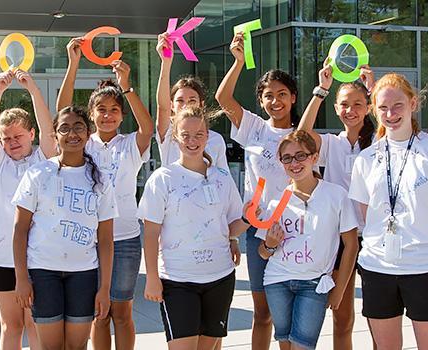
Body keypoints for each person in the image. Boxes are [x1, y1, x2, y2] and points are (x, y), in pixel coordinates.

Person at [348, 73, 428, 350]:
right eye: (383, 107)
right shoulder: (365, 159)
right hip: (378, 267)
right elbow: (367, 215)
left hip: (426, 266)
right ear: (374, 110)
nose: (391, 114)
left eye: (398, 105)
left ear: (413, 103)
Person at [57, 36, 153, 350]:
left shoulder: (130, 145)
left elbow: (148, 128)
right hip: (88, 239)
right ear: (91, 113)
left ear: (122, 115)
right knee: (99, 312)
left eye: (114, 110)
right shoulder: (83, 142)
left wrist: (126, 86)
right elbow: (62, 112)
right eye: (101, 109)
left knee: (122, 311)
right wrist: (73, 65)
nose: (108, 115)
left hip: (124, 238)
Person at [215, 31, 300, 350]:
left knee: (289, 313)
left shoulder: (304, 133)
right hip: (259, 231)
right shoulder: (254, 128)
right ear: (261, 100)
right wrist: (238, 62)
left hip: (297, 230)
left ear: (293, 97)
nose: (275, 101)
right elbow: (223, 99)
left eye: (282, 94)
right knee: (263, 314)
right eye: (268, 95)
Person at [139, 106, 245, 350]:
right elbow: (151, 233)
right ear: (175, 137)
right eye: (185, 135)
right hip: (178, 280)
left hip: (220, 277)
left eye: (199, 134)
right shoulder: (163, 178)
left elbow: (231, 227)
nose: (192, 140)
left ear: (208, 136)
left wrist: (251, 219)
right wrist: (152, 278)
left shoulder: (221, 177)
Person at [12, 106, 117, 350]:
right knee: (51, 347)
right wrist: (21, 278)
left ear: (88, 132)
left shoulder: (100, 179)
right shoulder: (38, 173)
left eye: (78, 127)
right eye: (64, 128)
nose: (72, 133)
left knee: (76, 346)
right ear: (54, 135)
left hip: (83, 274)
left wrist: (104, 288)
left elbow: (106, 239)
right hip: (43, 272)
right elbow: (20, 230)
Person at [296, 61, 376, 350]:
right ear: (336, 108)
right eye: (344, 104)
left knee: (379, 316)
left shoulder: (380, 141)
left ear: (369, 107)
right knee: (342, 316)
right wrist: (322, 90)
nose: (350, 110)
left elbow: (397, 123)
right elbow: (302, 136)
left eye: (358, 103)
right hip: (340, 237)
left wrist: (376, 90)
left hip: (376, 236)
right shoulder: (331, 143)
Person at [256, 129, 359, 350]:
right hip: (277, 282)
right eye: (287, 158)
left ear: (314, 157)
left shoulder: (336, 195)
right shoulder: (276, 202)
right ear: (281, 162)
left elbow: (351, 244)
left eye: (301, 155)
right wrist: (269, 245)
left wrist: (339, 290)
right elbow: (263, 252)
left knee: (302, 346)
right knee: (286, 346)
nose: (295, 163)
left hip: (314, 283)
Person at [0, 69, 57, 350]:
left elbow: (50, 130)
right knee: (10, 326)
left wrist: (33, 90)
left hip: (38, 257)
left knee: (35, 324)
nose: (12, 143)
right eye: (6, 138)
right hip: (2, 256)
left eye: (18, 136)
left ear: (32, 134)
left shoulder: (46, 160)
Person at [155, 33, 230, 171]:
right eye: (180, 100)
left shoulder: (215, 140)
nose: (185, 105)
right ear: (171, 105)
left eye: (192, 100)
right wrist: (165, 63)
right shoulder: (168, 133)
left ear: (201, 104)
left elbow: (223, 178)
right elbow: (162, 107)